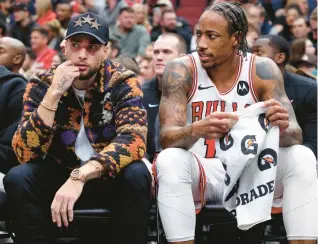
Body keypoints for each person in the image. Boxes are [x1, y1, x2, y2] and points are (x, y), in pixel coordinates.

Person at [155, 2, 317, 244]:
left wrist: (282, 127)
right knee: (169, 160)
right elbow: (166, 138)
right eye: (199, 34)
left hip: (252, 169)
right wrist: (196, 129)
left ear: (235, 38)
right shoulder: (181, 69)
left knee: (302, 156)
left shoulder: (262, 69)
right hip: (203, 170)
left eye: (212, 36)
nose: (201, 44)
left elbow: (295, 135)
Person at [4, 12, 151, 244]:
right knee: (18, 177)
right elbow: (24, 152)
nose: (82, 54)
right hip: (58, 174)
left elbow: (133, 140)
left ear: (106, 50)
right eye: (75, 45)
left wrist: (80, 176)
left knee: (137, 174)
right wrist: (53, 95)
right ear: (64, 47)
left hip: (105, 177)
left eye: (92, 47)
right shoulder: (42, 83)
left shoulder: (122, 81)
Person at [253, 35, 317, 157]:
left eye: (259, 52)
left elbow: (313, 143)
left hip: (293, 159)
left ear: (280, 57)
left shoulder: (309, 90)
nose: (253, 58)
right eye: (252, 53)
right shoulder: (244, 86)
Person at [142, 33, 186, 162]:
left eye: (166, 52)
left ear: (182, 58)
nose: (159, 57)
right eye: (156, 52)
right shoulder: (140, 94)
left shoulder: (196, 93)